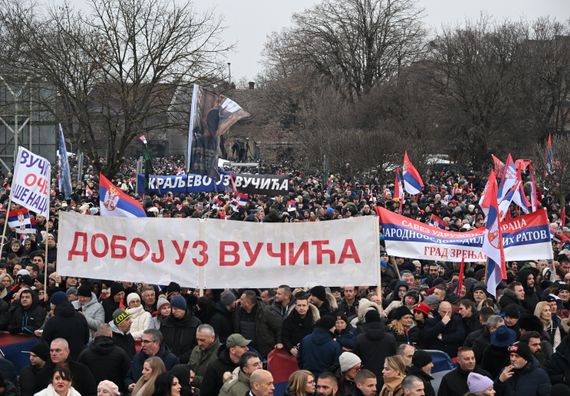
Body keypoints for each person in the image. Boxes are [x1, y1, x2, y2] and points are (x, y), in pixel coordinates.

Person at [78, 324, 131, 395]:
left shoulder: (84, 354)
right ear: (111, 334)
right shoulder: (121, 353)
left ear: (96, 335)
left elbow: (80, 377)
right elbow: (128, 375)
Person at [233, 290, 283, 358]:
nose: (238, 300)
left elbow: (279, 326)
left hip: (262, 350)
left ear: (247, 303)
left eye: (241, 299)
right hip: (245, 349)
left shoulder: (265, 311)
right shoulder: (238, 311)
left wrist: (279, 342)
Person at [42, 291, 90, 360]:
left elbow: (45, 342)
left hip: (60, 360)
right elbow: (86, 339)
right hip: (79, 359)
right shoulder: (81, 317)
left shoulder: (53, 321)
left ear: (54, 304)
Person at [354, 310, 397, 380]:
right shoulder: (390, 338)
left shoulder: (359, 339)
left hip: (366, 376)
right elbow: (394, 356)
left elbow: (357, 359)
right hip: (386, 375)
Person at [161, 295, 201, 363]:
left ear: (183, 308)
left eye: (176, 309)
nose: (173, 311)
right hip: (167, 360)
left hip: (187, 361)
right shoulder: (166, 323)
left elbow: (197, 345)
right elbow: (161, 342)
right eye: (172, 308)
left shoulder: (195, 323)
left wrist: (183, 358)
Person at [188, 324, 220, 389]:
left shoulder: (220, 353)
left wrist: (193, 379)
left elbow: (215, 380)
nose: (199, 343)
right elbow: (188, 368)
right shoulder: (196, 350)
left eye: (202, 340)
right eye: (197, 339)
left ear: (212, 338)